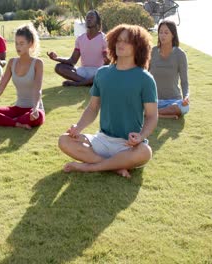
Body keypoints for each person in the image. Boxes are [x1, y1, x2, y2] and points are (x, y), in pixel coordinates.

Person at [58, 24, 158, 178]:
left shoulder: (145, 79)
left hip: (129, 145)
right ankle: (114, 166)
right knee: (64, 140)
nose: (120, 44)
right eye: (118, 40)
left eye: (126, 41)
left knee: (145, 152)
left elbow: (152, 116)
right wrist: (78, 127)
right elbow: (93, 108)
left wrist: (141, 136)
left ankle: (89, 167)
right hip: (102, 140)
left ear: (138, 46)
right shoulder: (102, 73)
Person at [47, 10, 108, 86]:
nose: (88, 19)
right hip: (83, 71)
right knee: (59, 67)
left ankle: (81, 83)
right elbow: (72, 61)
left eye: (92, 17)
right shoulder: (80, 38)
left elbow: (107, 63)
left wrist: (107, 59)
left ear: (97, 21)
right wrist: (56, 58)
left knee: (106, 71)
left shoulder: (104, 39)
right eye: (87, 18)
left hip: (98, 72)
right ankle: (87, 83)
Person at [149, 20, 189, 119]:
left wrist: (186, 97)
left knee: (184, 108)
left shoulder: (180, 54)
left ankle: (154, 114)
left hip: (173, 101)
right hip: (153, 100)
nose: (162, 35)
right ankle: (163, 114)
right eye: (160, 32)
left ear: (173, 35)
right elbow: (144, 74)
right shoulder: (153, 52)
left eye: (166, 33)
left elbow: (184, 82)